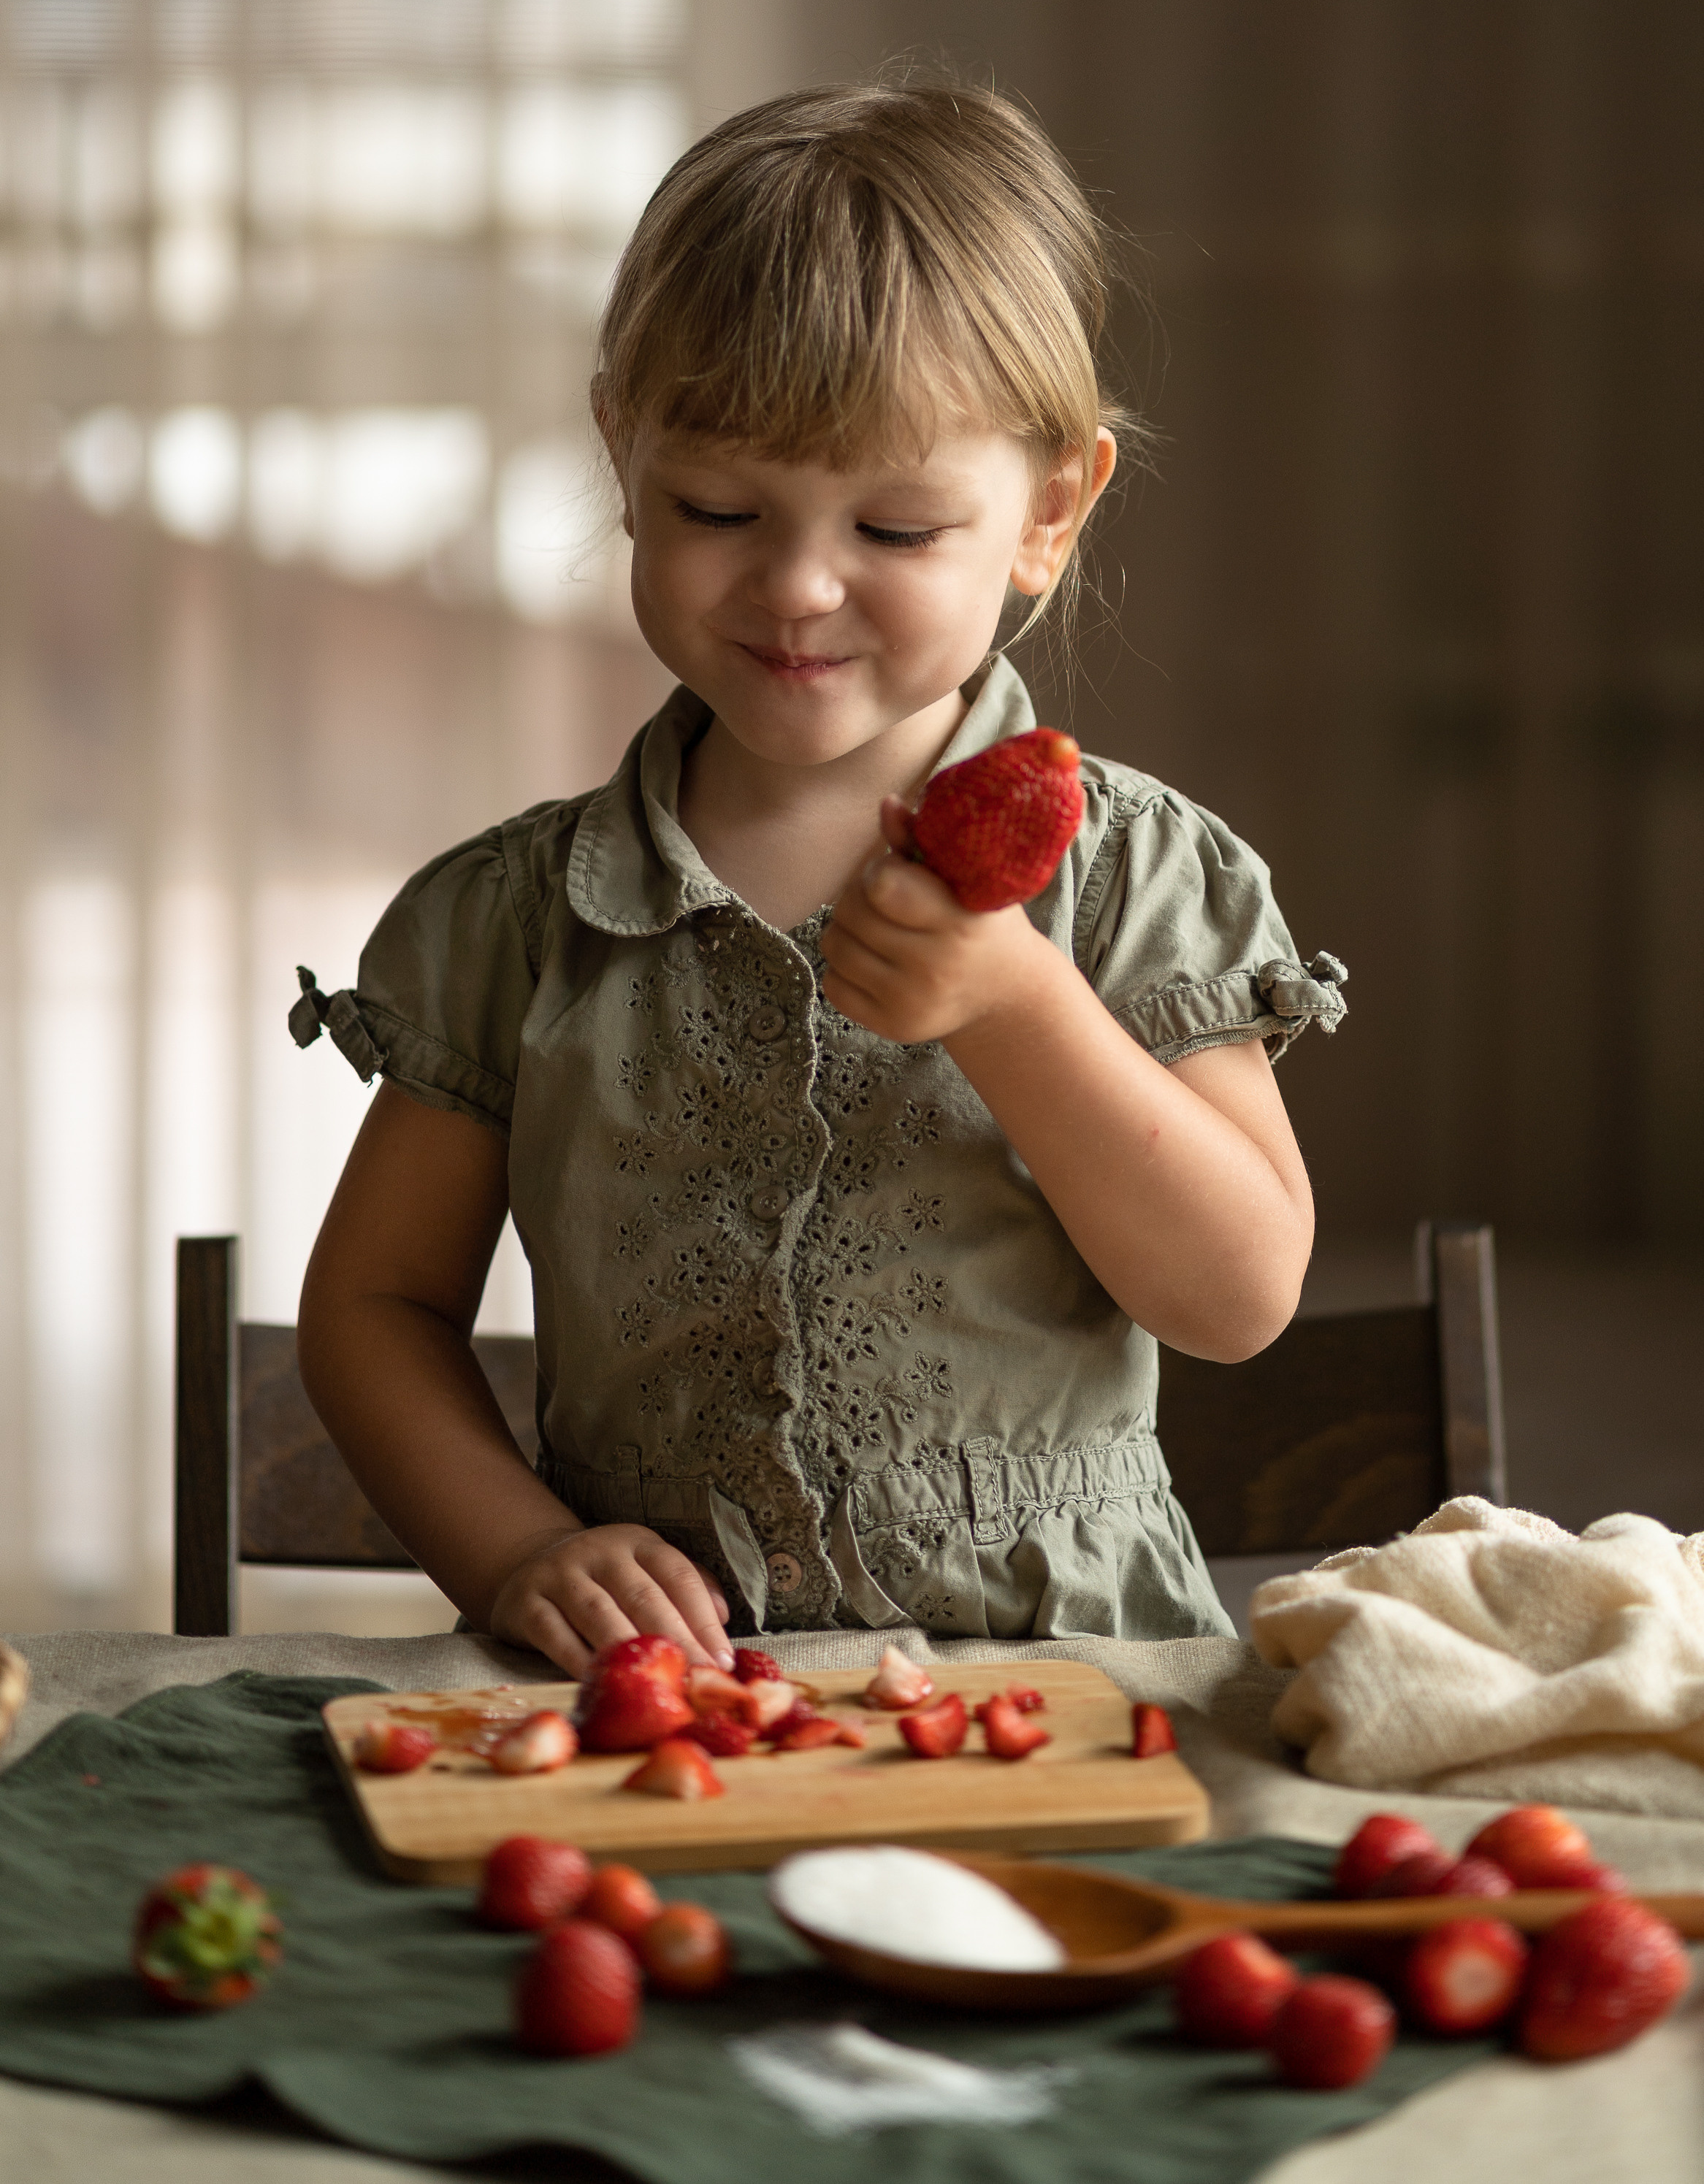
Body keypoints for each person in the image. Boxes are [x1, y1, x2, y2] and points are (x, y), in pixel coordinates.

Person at [292, 80, 1346, 1679]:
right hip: (655, 1716)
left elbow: (1238, 1292)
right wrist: (519, 1551)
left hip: (1061, 1697)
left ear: (1049, 514)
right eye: (719, 507)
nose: (795, 584)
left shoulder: (1140, 878)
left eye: (899, 524)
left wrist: (1015, 1004)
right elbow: (373, 1306)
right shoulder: (512, 925)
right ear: (619, 460)